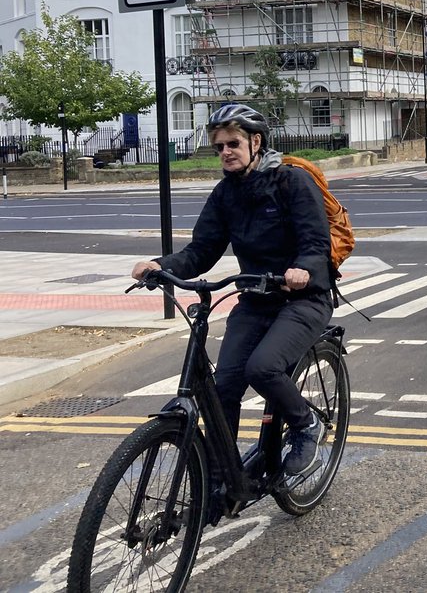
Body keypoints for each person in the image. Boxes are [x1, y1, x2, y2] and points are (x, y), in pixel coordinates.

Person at [131, 104, 333, 476]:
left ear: (256, 141)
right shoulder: (226, 194)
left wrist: (302, 269)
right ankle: (223, 478)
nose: (225, 152)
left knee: (263, 368)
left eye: (233, 143)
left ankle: (307, 425)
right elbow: (201, 251)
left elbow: (316, 243)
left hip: (303, 299)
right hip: (256, 299)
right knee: (224, 388)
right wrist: (162, 266)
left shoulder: (292, 182)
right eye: (219, 146)